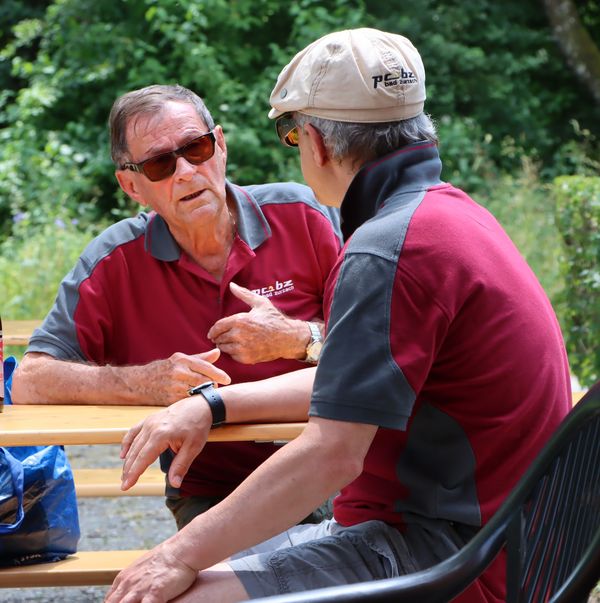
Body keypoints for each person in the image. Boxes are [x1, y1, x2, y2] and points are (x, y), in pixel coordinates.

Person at [105, 28, 572, 603]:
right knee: (204, 564)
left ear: (317, 142)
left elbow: (331, 454)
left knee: (166, 593)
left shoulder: (390, 248)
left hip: (451, 560)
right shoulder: (453, 217)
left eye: (291, 136)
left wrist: (174, 554)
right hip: (509, 546)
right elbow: (349, 381)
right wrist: (215, 402)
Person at [11, 84, 342, 529]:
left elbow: (380, 347)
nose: (186, 171)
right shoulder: (114, 262)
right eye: (160, 164)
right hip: (217, 492)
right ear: (132, 186)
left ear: (220, 145)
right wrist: (146, 383)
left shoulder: (305, 216)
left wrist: (301, 338)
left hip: (337, 469)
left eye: (197, 148)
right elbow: (30, 380)